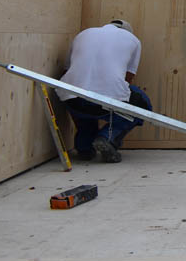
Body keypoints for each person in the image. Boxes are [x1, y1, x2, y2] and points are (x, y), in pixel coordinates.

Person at [56, 19, 151, 162]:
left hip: (71, 97)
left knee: (83, 101)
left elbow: (67, 70)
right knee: (142, 104)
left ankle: (84, 147)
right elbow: (128, 78)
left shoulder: (83, 34)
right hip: (102, 102)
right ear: (127, 32)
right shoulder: (133, 40)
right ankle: (107, 138)